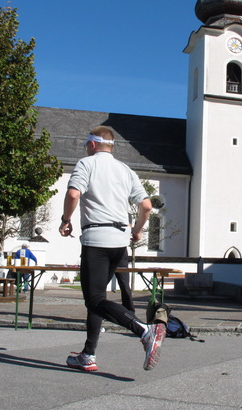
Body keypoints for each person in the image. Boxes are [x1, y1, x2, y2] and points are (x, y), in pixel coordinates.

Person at [59, 125, 164, 372]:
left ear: (92, 144)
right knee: (98, 299)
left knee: (94, 299)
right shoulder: (126, 170)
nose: (86, 148)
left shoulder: (86, 164)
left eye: (87, 145)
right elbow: (146, 206)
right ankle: (88, 354)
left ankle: (144, 330)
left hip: (96, 240)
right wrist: (137, 230)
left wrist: (65, 220)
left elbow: (73, 195)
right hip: (120, 242)